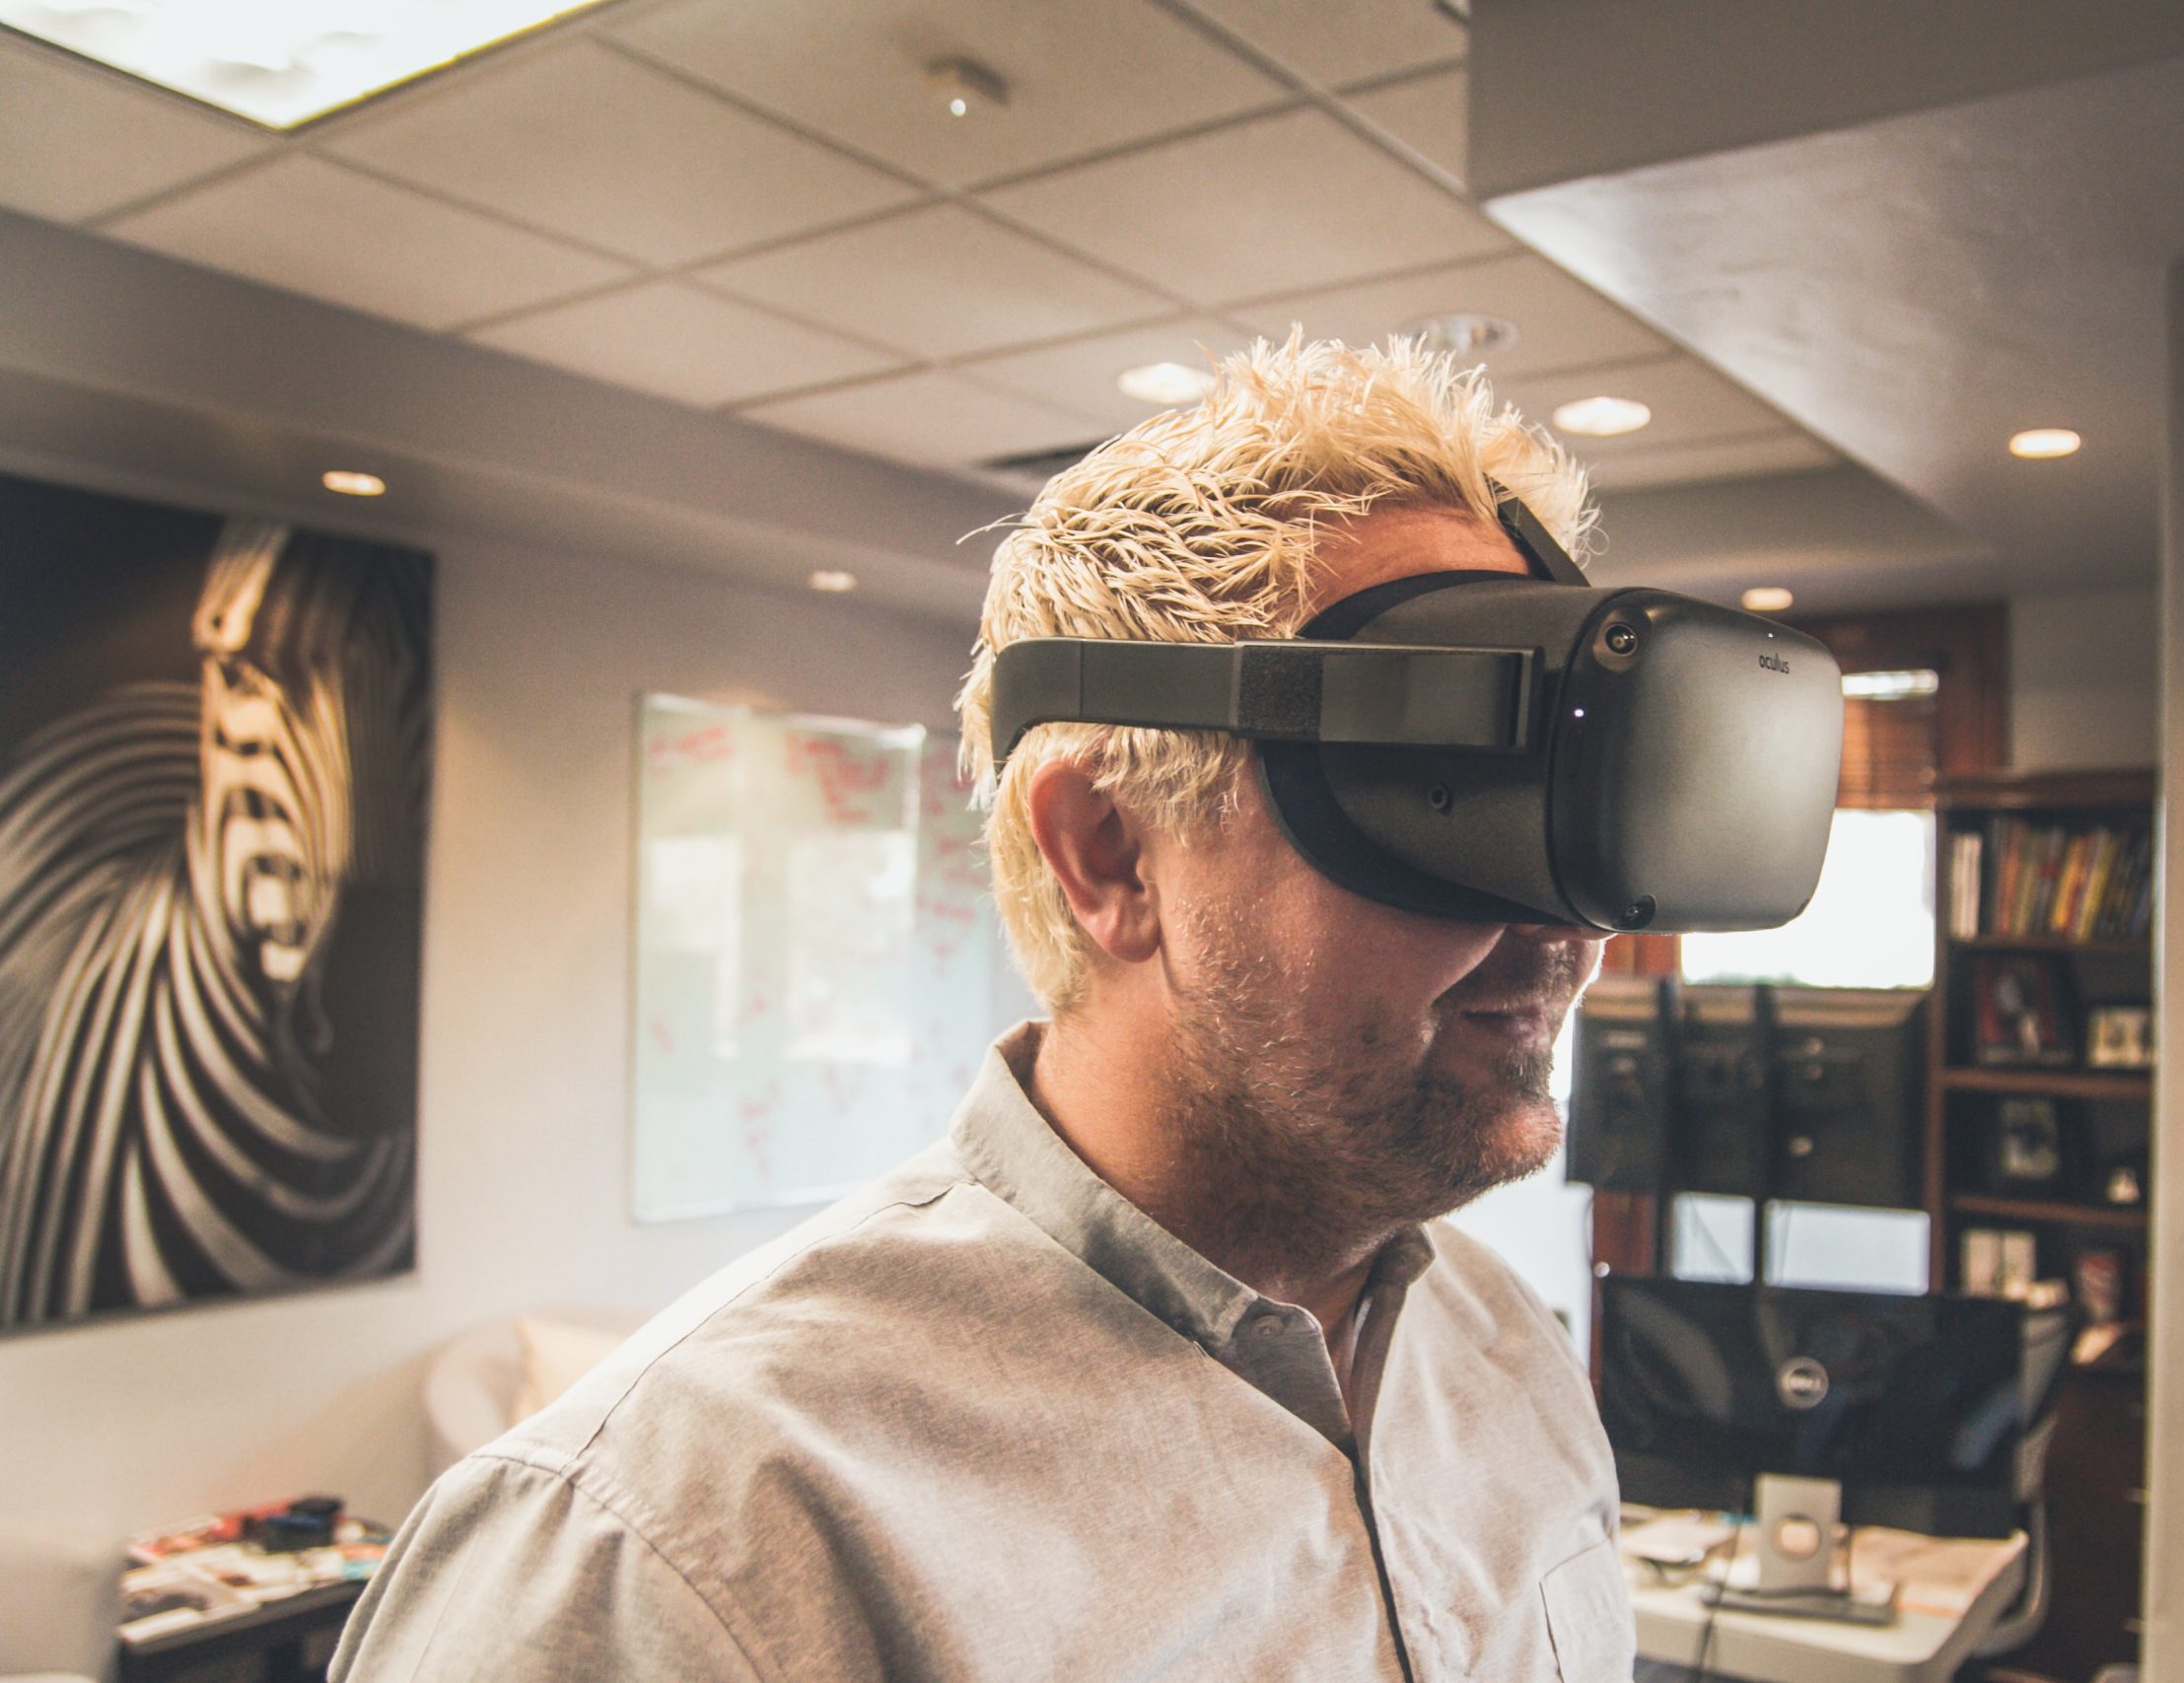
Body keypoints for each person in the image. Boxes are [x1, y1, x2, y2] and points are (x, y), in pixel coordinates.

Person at [331, 337, 1635, 1681]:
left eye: (1556, 828)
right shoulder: (672, 1554)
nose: (1564, 931)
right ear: (1111, 853)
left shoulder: (1505, 1355)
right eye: (1440, 806)